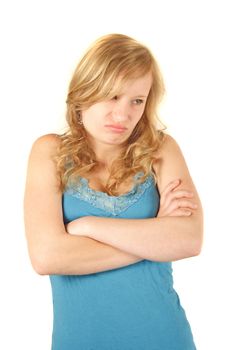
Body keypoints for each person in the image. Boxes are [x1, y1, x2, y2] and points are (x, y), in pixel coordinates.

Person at [24, 33, 203, 350]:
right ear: (84, 93)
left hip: (165, 338)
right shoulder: (49, 152)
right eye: (111, 96)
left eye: (137, 100)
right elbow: (47, 256)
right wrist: (155, 238)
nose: (123, 115)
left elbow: (188, 240)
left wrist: (88, 227)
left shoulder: (161, 150)